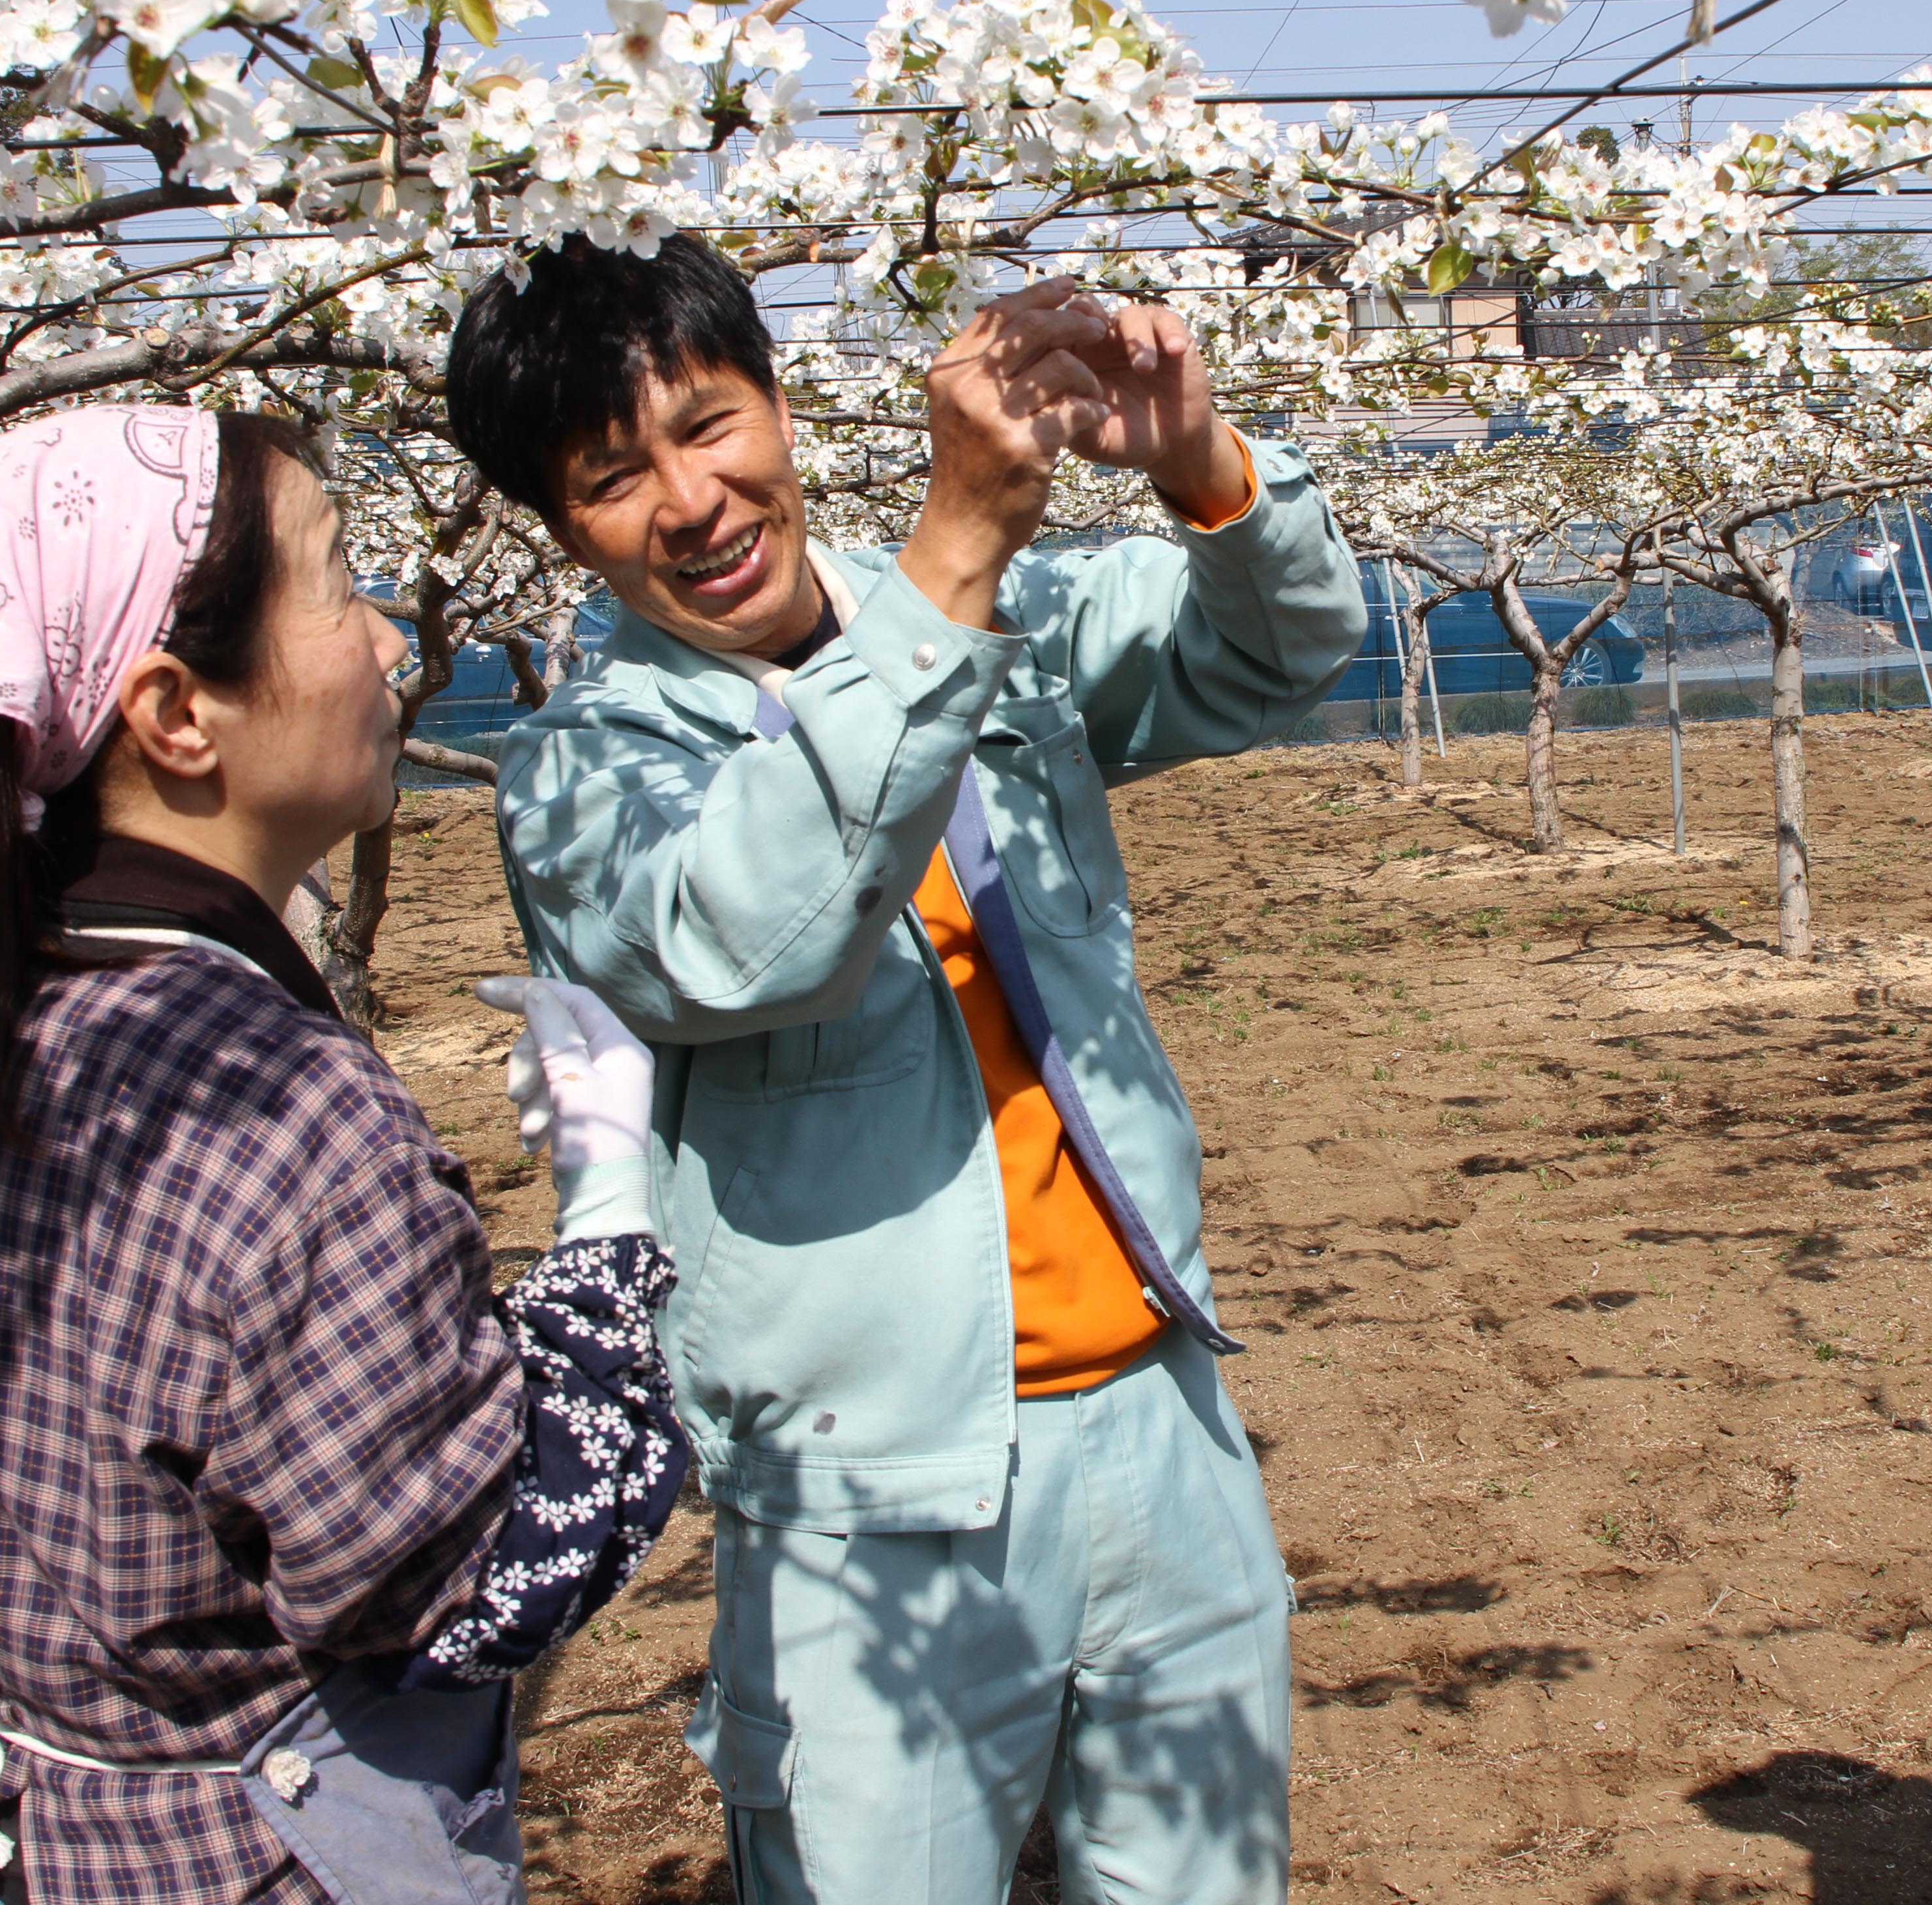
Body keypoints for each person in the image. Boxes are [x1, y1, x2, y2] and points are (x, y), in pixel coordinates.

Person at [440, 236, 1363, 1904]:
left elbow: (1277, 652)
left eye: (711, 427)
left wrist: (1202, 464)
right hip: (872, 1489)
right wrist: (951, 562)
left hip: (1161, 1415)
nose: (693, 501)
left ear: (782, 409)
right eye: (610, 476)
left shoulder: (987, 620)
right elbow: (750, 936)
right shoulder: (585, 776)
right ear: (558, 526)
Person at [0, 405, 689, 1905]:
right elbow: (481, 1579)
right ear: (176, 712)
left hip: (22, 1844)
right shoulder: (271, 1101)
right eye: (342, 587)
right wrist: (609, 1223)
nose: (396, 645)